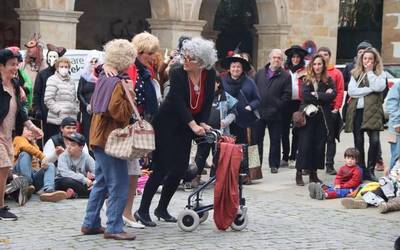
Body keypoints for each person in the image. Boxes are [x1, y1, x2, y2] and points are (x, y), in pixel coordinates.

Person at [134, 37, 217, 227]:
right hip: (167, 123)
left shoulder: (209, 73)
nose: (185, 60)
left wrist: (202, 121)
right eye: (184, 56)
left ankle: (161, 208)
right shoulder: (178, 72)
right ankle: (142, 210)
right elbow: (178, 101)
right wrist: (193, 124)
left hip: (185, 126)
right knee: (161, 167)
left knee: (180, 168)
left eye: (190, 58)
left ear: (203, 62)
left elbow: (207, 99)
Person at [81, 39, 136, 240]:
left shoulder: (104, 77)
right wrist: (129, 93)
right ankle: (114, 226)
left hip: (98, 137)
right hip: (111, 140)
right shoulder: (117, 81)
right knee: (119, 184)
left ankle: (91, 223)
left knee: (102, 182)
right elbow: (118, 113)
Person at [0, 48, 43, 220]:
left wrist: (32, 127)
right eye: (11, 64)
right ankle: (2, 207)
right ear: (1, 66)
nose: (15, 67)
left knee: (5, 169)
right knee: (3, 167)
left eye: (17, 64)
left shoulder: (16, 86)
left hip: (8, 135)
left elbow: (22, 113)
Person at [344, 47, 386, 181]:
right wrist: (369, 90)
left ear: (375, 61)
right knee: (359, 141)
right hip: (358, 111)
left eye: (370, 59)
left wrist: (369, 73)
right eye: (365, 58)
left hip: (373, 112)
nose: (367, 61)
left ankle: (370, 170)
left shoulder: (380, 74)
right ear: (361, 60)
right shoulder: (355, 73)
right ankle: (361, 169)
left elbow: (379, 87)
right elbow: (352, 91)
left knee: (374, 141)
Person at [295, 55, 336, 186]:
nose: (317, 67)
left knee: (319, 146)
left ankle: (314, 174)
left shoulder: (328, 80)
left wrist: (318, 95)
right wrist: (323, 96)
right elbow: (306, 95)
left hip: (322, 117)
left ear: (323, 65)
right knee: (305, 145)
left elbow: (332, 95)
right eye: (315, 64)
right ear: (312, 66)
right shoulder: (306, 79)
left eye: (320, 64)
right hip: (308, 116)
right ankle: (299, 173)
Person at [254, 49, 291, 173]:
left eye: (279, 58)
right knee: (256, 140)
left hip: (276, 113)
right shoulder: (260, 73)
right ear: (270, 58)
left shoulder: (286, 75)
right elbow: (253, 91)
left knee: (275, 140)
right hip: (259, 112)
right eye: (274, 57)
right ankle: (255, 164)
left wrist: (277, 106)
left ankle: (274, 164)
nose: (276, 60)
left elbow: (287, 95)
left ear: (282, 61)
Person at [13, 126, 67, 202]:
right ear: (21, 131)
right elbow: (26, 147)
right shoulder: (18, 139)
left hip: (34, 178)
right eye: (28, 130)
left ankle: (48, 191)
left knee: (50, 165)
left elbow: (43, 162)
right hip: (19, 174)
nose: (31, 132)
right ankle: (26, 185)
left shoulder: (35, 145)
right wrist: (42, 156)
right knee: (26, 153)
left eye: (33, 131)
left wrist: (55, 154)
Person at [220, 53, 260, 144]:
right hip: (228, 122)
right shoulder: (223, 82)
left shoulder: (249, 82)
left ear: (242, 69)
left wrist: (250, 106)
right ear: (229, 69)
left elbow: (257, 99)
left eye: (238, 67)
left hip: (246, 121)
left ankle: (249, 159)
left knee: (248, 147)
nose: (236, 69)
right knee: (229, 148)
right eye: (233, 67)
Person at [317, 47, 345, 175]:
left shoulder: (336, 73)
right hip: (317, 110)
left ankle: (329, 164)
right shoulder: (314, 72)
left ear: (329, 56)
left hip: (331, 110)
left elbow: (339, 91)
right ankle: (315, 164)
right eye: (320, 55)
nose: (323, 56)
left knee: (330, 138)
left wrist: (336, 107)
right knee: (316, 138)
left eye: (326, 54)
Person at [33, 44, 66, 143]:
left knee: (60, 137)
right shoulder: (42, 74)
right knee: (47, 138)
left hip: (60, 112)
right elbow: (37, 93)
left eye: (55, 57)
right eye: (50, 56)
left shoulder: (64, 75)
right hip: (46, 112)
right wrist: (37, 108)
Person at [282, 45, 308, 169]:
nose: (295, 59)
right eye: (293, 57)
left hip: (299, 103)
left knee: (296, 130)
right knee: (284, 130)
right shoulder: (285, 70)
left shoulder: (305, 70)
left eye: (298, 57)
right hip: (286, 103)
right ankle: (285, 156)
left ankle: (293, 156)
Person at [44, 57, 79, 137]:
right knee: (58, 144)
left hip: (71, 119)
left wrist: (76, 110)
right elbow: (48, 99)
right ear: (57, 68)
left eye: (66, 67)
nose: (64, 69)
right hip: (57, 120)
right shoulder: (52, 79)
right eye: (62, 66)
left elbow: (74, 99)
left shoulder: (71, 81)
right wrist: (59, 111)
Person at [55, 132, 95, 198]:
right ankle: (92, 193)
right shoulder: (63, 156)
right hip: (64, 181)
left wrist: (94, 183)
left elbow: (97, 172)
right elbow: (65, 173)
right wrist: (84, 179)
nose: (69, 147)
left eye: (73, 145)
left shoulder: (86, 157)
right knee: (67, 181)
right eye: (68, 144)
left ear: (81, 147)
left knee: (97, 182)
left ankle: (74, 193)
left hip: (80, 183)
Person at [78, 50, 103, 147]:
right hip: (86, 110)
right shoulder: (84, 77)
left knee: (97, 132)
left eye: (95, 61)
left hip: (99, 110)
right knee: (87, 131)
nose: (93, 64)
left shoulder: (102, 77)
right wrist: (86, 105)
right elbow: (79, 93)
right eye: (91, 62)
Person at [385, 81, 400, 169]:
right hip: (396, 127)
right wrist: (396, 123)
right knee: (397, 156)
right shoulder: (398, 85)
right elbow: (391, 103)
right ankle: (393, 180)